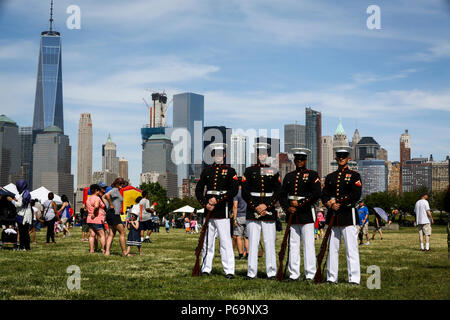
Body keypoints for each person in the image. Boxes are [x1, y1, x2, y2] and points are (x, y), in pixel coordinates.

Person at [195, 142, 239, 279]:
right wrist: (205, 204)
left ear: (224, 155)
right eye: (215, 154)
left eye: (220, 154)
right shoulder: (207, 171)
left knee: (225, 242)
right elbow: (198, 190)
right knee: (208, 241)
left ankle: (229, 270)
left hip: (222, 210)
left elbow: (234, 190)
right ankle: (206, 268)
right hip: (209, 210)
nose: (218, 157)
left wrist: (218, 200)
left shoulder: (230, 171)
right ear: (213, 155)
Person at [279, 148, 321, 281]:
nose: (300, 161)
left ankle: (310, 274)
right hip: (292, 215)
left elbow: (316, 194)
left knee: (308, 245)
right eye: (297, 159)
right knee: (293, 245)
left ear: (306, 160)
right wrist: (287, 208)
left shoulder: (313, 175)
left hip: (306, 214)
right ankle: (294, 274)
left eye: (302, 159)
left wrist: (301, 203)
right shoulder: (289, 176)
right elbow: (282, 195)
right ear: (295, 160)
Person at [322, 146, 362, 285]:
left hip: (348, 215)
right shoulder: (330, 177)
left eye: (343, 156)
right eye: (339, 156)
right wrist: (330, 204)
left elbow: (356, 195)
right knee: (332, 249)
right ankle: (331, 278)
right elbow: (324, 195)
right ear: (336, 158)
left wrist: (338, 202)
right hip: (333, 216)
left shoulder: (354, 175)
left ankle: (354, 278)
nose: (341, 158)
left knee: (351, 249)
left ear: (348, 159)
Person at [242, 142, 281, 280]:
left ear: (268, 154)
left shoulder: (273, 171)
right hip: (253, 209)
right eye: (260, 153)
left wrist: (267, 206)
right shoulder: (249, 171)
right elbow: (245, 192)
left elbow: (278, 191)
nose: (262, 155)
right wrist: (256, 206)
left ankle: (271, 272)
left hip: (268, 209)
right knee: (252, 242)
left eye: (264, 153)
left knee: (269, 242)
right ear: (257, 155)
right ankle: (251, 272)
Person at [4, 180, 33, 250]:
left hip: (24, 216)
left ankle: (26, 247)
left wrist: (12, 200)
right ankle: (22, 246)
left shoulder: (25, 194)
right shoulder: (24, 193)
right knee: (22, 232)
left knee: (24, 233)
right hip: (22, 215)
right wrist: (15, 200)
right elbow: (21, 202)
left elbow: (19, 204)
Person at [103, 178, 128, 256]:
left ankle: (107, 252)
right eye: (120, 184)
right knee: (122, 232)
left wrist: (107, 206)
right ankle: (124, 252)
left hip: (110, 214)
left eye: (122, 184)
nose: (121, 185)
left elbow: (104, 197)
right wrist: (110, 205)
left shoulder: (116, 190)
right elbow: (106, 196)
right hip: (114, 214)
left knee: (111, 234)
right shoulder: (115, 190)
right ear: (116, 183)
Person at [86, 184, 107, 254]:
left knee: (92, 235)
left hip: (89, 219)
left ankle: (92, 250)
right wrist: (94, 214)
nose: (99, 192)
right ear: (96, 190)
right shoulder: (97, 198)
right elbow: (97, 206)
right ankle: (103, 250)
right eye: (98, 190)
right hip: (97, 219)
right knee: (102, 235)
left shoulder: (88, 199)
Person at [232, 178, 249, 260]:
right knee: (247, 237)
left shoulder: (237, 194)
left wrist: (234, 219)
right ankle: (248, 254)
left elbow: (235, 206)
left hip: (239, 216)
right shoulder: (248, 193)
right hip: (248, 216)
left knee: (239, 236)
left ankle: (240, 254)